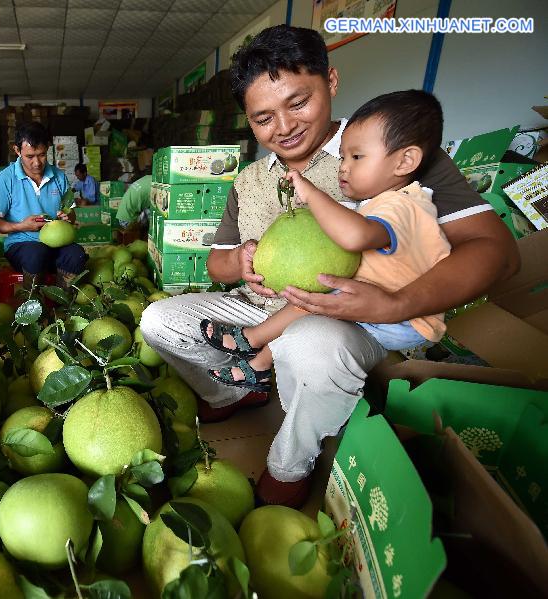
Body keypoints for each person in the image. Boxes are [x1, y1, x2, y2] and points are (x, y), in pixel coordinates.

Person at [139, 25, 519, 508]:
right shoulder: (251, 179)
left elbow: (497, 252)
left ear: (331, 82)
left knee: (310, 342)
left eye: (298, 102)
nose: (283, 127)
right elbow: (216, 264)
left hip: (353, 319)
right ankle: (232, 394)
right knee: (159, 322)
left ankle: (287, 467)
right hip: (260, 309)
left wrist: (396, 302)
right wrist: (238, 262)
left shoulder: (389, 153)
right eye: (263, 118)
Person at [205, 90, 451, 391]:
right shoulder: (390, 201)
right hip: (389, 311)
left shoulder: (402, 205)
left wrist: (311, 194)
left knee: (314, 302)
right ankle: (259, 364)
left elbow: (355, 236)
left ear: (405, 161)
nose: (344, 167)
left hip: (403, 321)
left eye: (357, 157)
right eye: (344, 156)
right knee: (312, 302)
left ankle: (253, 341)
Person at [0, 122, 87, 290]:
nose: (37, 163)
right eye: (30, 156)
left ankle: (62, 305)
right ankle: (34, 307)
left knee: (76, 255)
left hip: (56, 244)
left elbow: (71, 213)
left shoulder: (59, 177)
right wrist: (22, 226)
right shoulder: (4, 179)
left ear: (48, 148)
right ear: (17, 150)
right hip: (22, 245)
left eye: (41, 155)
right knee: (36, 253)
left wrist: (67, 216)